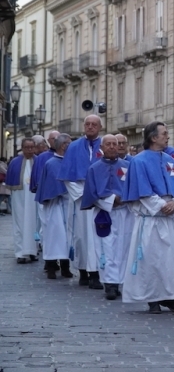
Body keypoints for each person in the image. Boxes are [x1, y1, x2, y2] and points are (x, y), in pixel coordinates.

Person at [121, 121, 174, 314]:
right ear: (153, 137)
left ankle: (170, 296)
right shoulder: (139, 161)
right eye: (164, 133)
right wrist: (161, 205)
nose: (168, 136)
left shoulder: (171, 161)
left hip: (172, 217)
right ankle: (152, 298)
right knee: (153, 260)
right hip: (152, 219)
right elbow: (141, 191)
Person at [81, 135, 133, 300]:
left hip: (125, 213)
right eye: (108, 144)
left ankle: (121, 281)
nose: (112, 147)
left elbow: (134, 188)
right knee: (107, 249)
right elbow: (91, 194)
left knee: (123, 248)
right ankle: (110, 283)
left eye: (114, 144)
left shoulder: (128, 166)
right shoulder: (94, 169)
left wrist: (123, 199)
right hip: (105, 214)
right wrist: (111, 200)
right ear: (102, 147)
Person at [58, 115, 105, 288]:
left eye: (94, 124)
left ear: (100, 127)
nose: (90, 127)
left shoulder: (106, 145)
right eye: (87, 124)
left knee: (97, 237)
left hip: (101, 200)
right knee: (81, 237)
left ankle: (97, 272)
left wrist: (100, 197)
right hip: (80, 200)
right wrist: (84, 195)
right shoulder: (74, 147)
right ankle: (83, 271)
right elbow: (68, 177)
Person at [36, 134, 73, 279]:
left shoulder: (71, 162)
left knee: (67, 237)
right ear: (63, 145)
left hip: (68, 204)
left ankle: (65, 267)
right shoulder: (51, 164)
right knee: (53, 236)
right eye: (69, 143)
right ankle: (51, 266)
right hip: (54, 205)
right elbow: (48, 185)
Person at [8, 138, 39, 264]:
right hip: (19, 197)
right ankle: (20, 252)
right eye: (27, 147)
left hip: (34, 198)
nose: (29, 150)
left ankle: (33, 251)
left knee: (34, 223)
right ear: (22, 148)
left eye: (32, 147)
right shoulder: (15, 162)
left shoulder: (38, 161)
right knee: (20, 223)